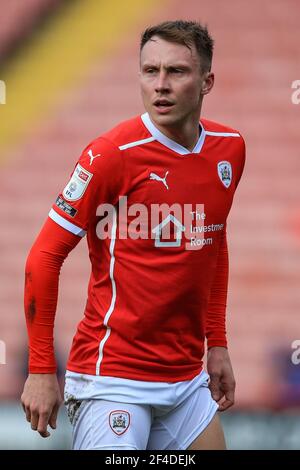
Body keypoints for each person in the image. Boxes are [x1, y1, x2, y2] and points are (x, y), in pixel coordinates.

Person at [21, 20, 246, 450]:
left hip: (185, 379)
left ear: (207, 82)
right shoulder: (110, 155)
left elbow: (213, 240)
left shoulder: (229, 148)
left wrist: (216, 343)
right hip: (113, 379)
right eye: (150, 71)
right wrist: (40, 369)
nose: (160, 85)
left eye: (176, 72)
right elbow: (43, 258)